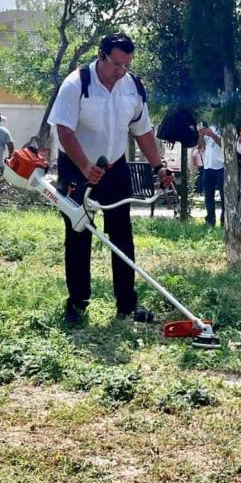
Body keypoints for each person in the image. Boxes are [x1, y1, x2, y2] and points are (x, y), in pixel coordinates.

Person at [48, 32, 172, 324]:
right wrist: (84, 164)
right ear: (101, 55)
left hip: (115, 167)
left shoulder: (133, 86)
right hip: (76, 166)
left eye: (126, 65)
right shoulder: (76, 84)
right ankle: (78, 303)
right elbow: (64, 131)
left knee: (122, 235)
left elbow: (143, 131)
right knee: (79, 233)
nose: (120, 71)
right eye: (116, 64)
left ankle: (127, 305)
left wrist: (158, 167)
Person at [198, 123, 224, 226]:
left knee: (224, 197)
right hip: (208, 166)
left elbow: (224, 145)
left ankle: (224, 221)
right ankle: (210, 220)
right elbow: (201, 147)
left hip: (221, 167)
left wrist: (212, 134)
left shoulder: (225, 128)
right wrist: (201, 135)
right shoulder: (210, 127)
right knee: (208, 196)